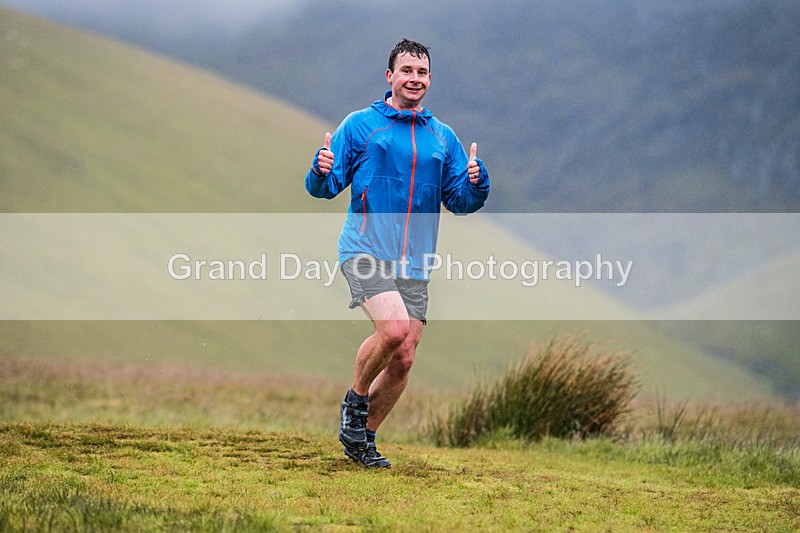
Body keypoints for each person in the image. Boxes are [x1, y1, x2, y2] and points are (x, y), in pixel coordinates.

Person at [305, 38, 490, 468]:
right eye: (407, 71)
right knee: (392, 331)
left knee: (404, 357)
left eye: (422, 72)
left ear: (430, 79)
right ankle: (354, 403)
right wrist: (320, 170)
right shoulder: (361, 124)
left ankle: (363, 440)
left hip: (416, 261)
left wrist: (477, 182)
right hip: (365, 246)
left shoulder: (442, 138)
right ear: (390, 76)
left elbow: (459, 199)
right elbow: (326, 188)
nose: (415, 79)